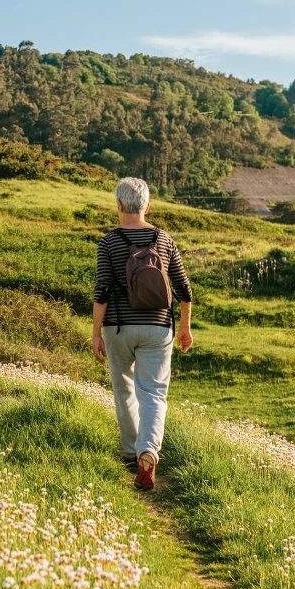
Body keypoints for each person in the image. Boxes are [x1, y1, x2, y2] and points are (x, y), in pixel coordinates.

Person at [91, 177, 194, 491]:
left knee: (124, 389)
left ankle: (129, 451)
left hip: (119, 326)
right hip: (158, 326)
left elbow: (102, 291)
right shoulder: (163, 239)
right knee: (153, 393)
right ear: (148, 205)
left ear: (119, 206)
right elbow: (184, 289)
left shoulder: (108, 243)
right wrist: (186, 327)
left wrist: (96, 333)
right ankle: (148, 451)